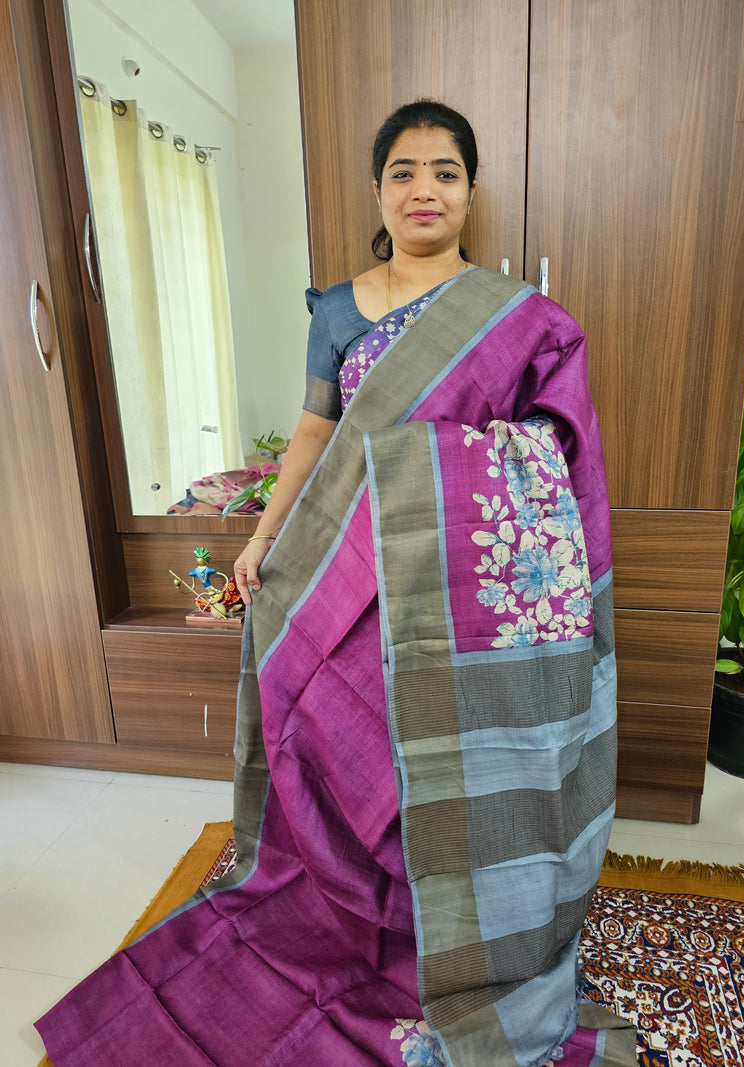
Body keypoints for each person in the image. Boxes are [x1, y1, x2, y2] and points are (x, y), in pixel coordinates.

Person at [37, 101, 635, 1067]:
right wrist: (263, 538)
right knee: (346, 757)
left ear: (471, 191)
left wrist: (432, 466)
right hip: (345, 587)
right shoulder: (339, 310)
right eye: (404, 171)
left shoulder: (519, 320)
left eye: (444, 171)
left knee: (434, 771)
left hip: (456, 607)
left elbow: (553, 456)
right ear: (379, 191)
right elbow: (314, 434)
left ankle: (444, 929)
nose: (424, 188)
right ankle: (353, 907)